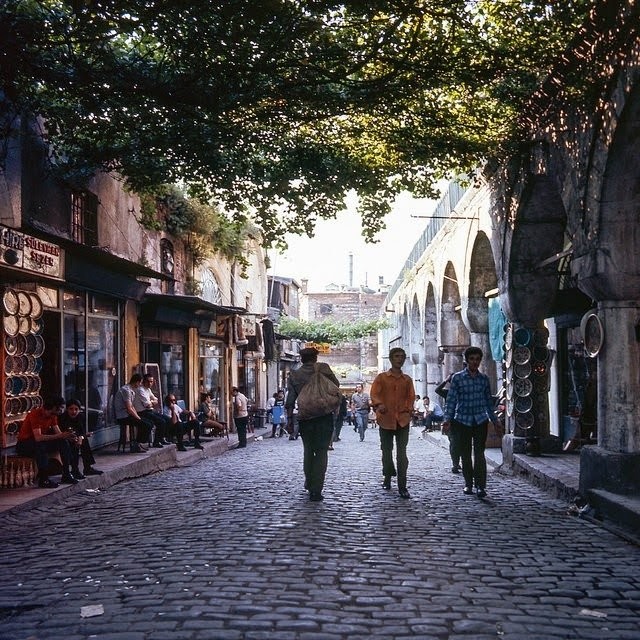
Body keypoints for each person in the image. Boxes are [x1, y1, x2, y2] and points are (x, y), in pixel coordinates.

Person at [442, 346, 498, 498]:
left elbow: (488, 402)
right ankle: (468, 484)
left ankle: (481, 486)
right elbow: (451, 401)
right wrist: (447, 420)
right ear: (466, 361)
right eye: (472, 359)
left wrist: (495, 421)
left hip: (480, 420)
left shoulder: (484, 379)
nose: (475, 362)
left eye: (477, 359)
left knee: (479, 454)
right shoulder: (458, 378)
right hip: (462, 421)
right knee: (465, 454)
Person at [285, 347, 340, 502]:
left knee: (308, 451)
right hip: (324, 416)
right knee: (322, 452)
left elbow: (290, 400)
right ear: (316, 358)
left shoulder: (295, 375)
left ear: (301, 359)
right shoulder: (324, 369)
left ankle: (309, 481)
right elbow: (336, 386)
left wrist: (289, 421)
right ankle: (317, 489)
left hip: (305, 417)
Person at [370, 347, 415, 499]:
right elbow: (374, 394)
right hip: (386, 420)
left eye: (402, 356)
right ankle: (388, 475)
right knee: (386, 451)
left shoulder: (407, 380)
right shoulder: (382, 378)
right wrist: (379, 404)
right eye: (396, 356)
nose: (399, 359)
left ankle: (402, 485)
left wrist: (408, 410)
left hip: (402, 420)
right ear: (391, 358)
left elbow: (411, 397)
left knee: (402, 453)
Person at [16, 395, 78, 487]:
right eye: (60, 408)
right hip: (25, 444)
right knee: (41, 447)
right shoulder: (35, 414)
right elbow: (38, 437)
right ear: (53, 407)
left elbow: (59, 434)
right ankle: (44, 479)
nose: (61, 410)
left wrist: (69, 436)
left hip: (39, 442)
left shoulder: (53, 416)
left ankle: (66, 474)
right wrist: (60, 435)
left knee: (63, 442)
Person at [58, 398, 104, 477]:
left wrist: (81, 437)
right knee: (75, 444)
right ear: (67, 409)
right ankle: (74, 469)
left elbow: (81, 432)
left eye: (76, 409)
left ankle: (87, 467)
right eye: (71, 409)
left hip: (77, 438)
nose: (74, 412)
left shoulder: (80, 417)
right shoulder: (63, 418)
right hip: (65, 439)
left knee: (84, 441)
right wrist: (77, 438)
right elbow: (62, 433)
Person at [113, 373, 152, 453]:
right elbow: (129, 408)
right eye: (140, 383)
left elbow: (132, 407)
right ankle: (137, 444)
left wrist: (138, 417)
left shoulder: (132, 391)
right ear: (137, 382)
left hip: (128, 414)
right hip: (123, 416)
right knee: (145, 424)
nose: (140, 385)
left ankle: (139, 443)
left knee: (149, 422)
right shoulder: (126, 390)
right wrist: (138, 418)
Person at [133, 373, 171, 447]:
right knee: (161, 422)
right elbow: (147, 405)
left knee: (167, 419)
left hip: (150, 411)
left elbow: (156, 399)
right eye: (148, 381)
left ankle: (162, 438)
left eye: (152, 381)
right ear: (144, 381)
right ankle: (156, 442)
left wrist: (152, 402)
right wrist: (152, 402)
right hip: (142, 412)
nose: (150, 383)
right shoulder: (141, 390)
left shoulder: (148, 390)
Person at [436, 372, 461, 474]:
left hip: (462, 420)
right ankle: (455, 464)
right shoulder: (448, 392)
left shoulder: (463, 391)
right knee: (454, 443)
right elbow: (437, 390)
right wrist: (445, 380)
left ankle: (460, 462)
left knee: (462, 443)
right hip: (451, 421)